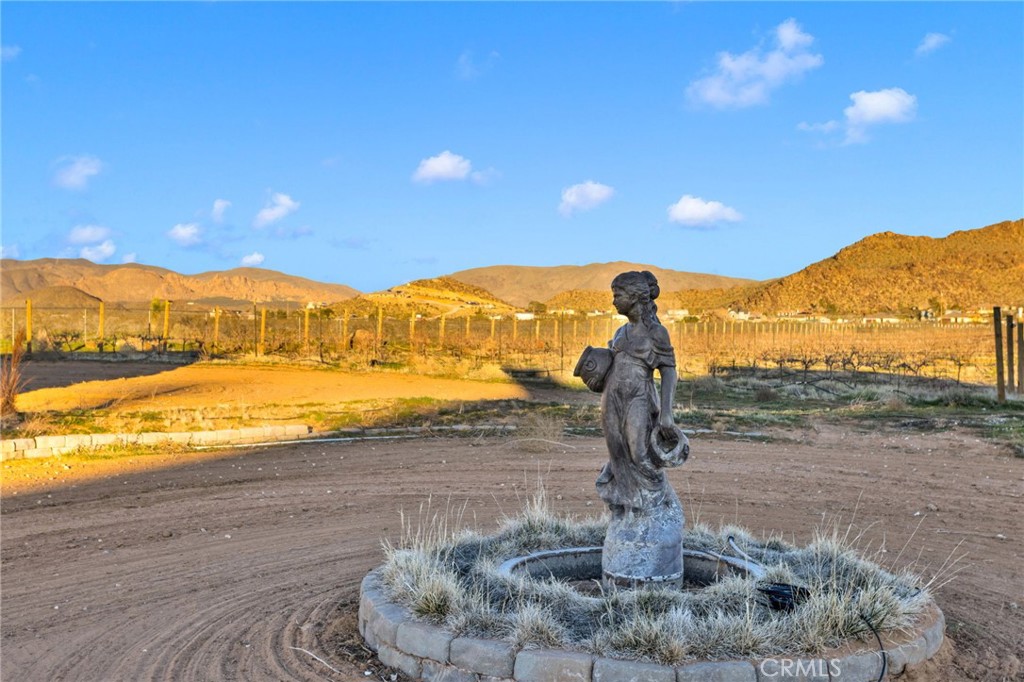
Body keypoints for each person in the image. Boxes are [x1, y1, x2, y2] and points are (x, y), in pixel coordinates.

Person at [596, 270, 684, 518]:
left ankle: (653, 505)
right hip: (611, 401)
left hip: (639, 399)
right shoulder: (620, 333)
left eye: (618, 295)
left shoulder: (657, 333)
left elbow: (669, 372)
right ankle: (625, 505)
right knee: (618, 452)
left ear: (635, 296)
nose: (613, 301)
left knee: (638, 452)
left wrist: (667, 413)